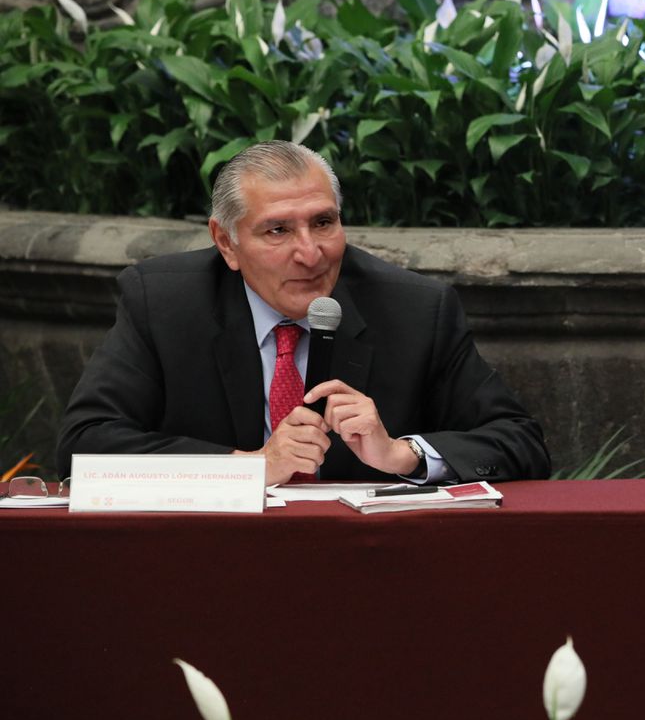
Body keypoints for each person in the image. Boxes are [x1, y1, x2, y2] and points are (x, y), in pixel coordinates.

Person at [57, 141, 551, 485]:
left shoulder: (415, 309)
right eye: (277, 231)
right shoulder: (164, 303)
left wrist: (402, 453)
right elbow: (85, 447)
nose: (311, 253)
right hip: (205, 560)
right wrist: (248, 466)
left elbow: (519, 442)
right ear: (226, 243)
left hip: (363, 565)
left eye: (323, 222)